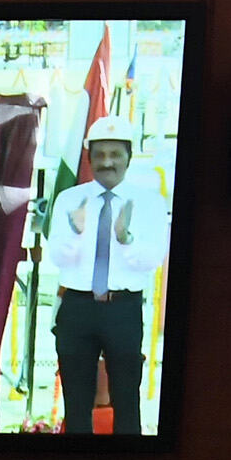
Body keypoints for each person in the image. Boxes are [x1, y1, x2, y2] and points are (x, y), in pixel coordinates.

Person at [46, 115, 172, 435]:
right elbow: (57, 258)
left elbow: (152, 261)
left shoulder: (149, 202)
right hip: (77, 307)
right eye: (100, 154)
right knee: (76, 403)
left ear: (128, 157)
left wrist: (125, 238)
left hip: (123, 309)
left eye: (115, 154)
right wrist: (75, 232)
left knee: (127, 400)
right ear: (89, 157)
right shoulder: (69, 199)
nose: (108, 162)